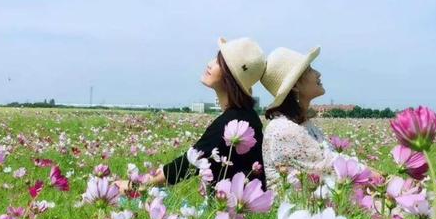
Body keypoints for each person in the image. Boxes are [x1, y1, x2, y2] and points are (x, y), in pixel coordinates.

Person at [145, 37, 267, 189]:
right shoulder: (247, 116)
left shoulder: (230, 122)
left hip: (232, 207)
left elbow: (190, 162)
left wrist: (138, 185)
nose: (209, 64)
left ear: (230, 76)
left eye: (218, 62)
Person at [260, 46, 339, 189]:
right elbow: (334, 167)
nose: (318, 73)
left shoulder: (303, 124)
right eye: (309, 70)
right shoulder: (283, 129)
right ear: (295, 85)